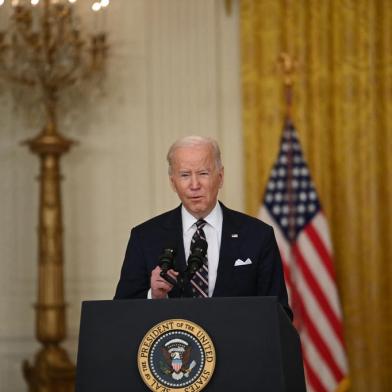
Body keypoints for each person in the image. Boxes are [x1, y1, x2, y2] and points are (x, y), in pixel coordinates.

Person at [114, 135, 292, 319]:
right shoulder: (145, 237)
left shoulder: (257, 235)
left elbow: (279, 313)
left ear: (220, 177)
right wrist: (154, 296)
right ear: (172, 182)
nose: (194, 185)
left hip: (239, 346)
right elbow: (121, 315)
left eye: (203, 173)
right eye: (184, 175)